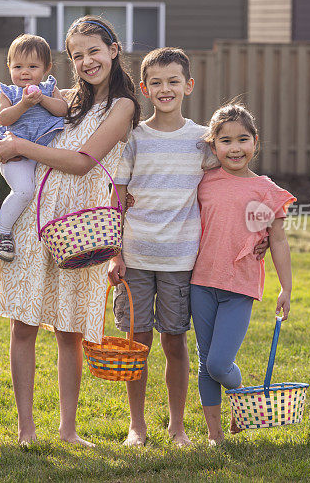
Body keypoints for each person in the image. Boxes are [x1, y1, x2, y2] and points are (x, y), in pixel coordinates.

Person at [0, 15, 140, 446]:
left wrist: (20, 147)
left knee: (70, 329)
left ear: (113, 50)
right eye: (78, 55)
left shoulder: (121, 106)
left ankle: (68, 429)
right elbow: (16, 116)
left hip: (80, 227)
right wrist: (11, 136)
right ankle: (26, 429)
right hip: (36, 220)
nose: (87, 61)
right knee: (24, 325)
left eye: (94, 51)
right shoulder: (66, 99)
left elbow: (84, 161)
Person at [107, 47, 215, 447]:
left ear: (188, 85)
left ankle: (177, 425)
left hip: (180, 259)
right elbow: (116, 198)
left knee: (174, 340)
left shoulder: (202, 141)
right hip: (135, 256)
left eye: (174, 81)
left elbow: (224, 188)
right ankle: (137, 425)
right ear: (144, 89)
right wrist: (114, 253)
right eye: (157, 82)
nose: (165, 89)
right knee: (138, 345)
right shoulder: (134, 138)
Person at [189, 102, 295, 446]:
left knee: (220, 363)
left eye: (243, 140)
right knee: (206, 363)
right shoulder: (203, 183)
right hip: (201, 284)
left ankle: (242, 394)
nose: (235, 148)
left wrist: (286, 288)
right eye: (226, 141)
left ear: (255, 142)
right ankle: (215, 435)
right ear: (213, 144)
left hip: (240, 286)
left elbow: (277, 241)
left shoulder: (266, 191)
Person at [0, 34, 69, 262]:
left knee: (41, 200)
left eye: (33, 66)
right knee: (24, 191)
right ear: (9, 67)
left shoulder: (49, 87)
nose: (25, 72)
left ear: (46, 68)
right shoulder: (8, 92)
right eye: (18, 66)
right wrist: (23, 104)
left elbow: (62, 110)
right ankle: (1, 230)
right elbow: (4, 118)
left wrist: (41, 98)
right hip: (17, 156)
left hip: (44, 155)